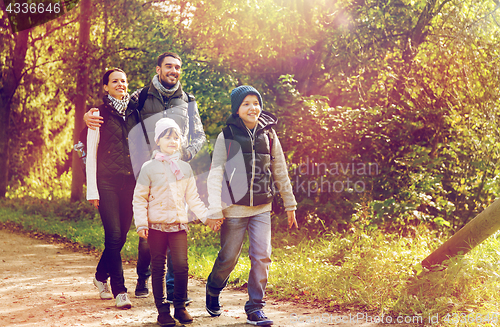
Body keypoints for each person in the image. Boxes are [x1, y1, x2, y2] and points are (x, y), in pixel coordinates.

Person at [84, 52, 206, 300]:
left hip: (171, 174)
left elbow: (199, 135)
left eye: (177, 67)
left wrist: (186, 156)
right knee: (144, 231)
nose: (173, 70)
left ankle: (173, 290)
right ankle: (140, 280)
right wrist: (86, 116)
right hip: (145, 173)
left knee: (175, 225)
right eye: (168, 66)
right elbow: (103, 123)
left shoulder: (188, 100)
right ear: (159, 69)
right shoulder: (139, 98)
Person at [205, 85, 298, 326]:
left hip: (262, 208)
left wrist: (290, 204)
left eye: (255, 103)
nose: (252, 108)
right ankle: (214, 288)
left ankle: (255, 307)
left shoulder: (269, 134)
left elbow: (280, 170)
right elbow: (215, 174)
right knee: (228, 258)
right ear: (237, 110)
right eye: (246, 103)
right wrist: (214, 210)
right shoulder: (226, 135)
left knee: (262, 256)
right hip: (234, 209)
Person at [133, 117, 220, 326]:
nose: (173, 141)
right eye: (167, 137)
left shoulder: (184, 168)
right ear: (158, 141)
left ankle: (179, 307)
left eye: (176, 137)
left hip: (179, 225)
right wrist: (141, 224)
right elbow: (139, 198)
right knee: (158, 268)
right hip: (155, 227)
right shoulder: (149, 168)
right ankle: (162, 310)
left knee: (181, 266)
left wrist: (207, 218)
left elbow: (193, 199)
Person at [86, 68, 139, 309]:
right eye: (114, 81)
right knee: (114, 236)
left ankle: (100, 276)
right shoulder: (97, 114)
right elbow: (85, 150)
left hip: (130, 183)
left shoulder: (134, 112)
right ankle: (120, 291)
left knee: (121, 237)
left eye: (123, 81)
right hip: (106, 182)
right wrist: (92, 189)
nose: (120, 84)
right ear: (105, 87)